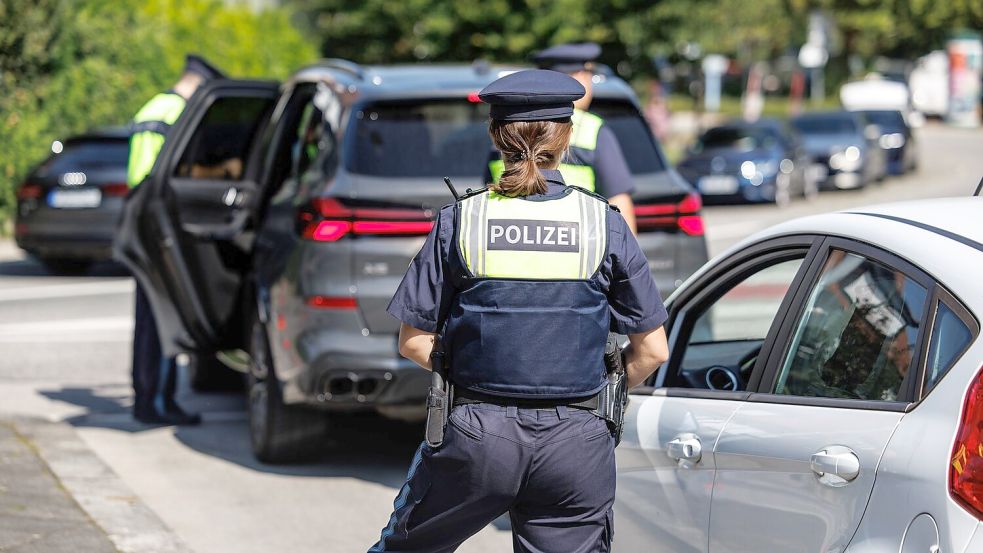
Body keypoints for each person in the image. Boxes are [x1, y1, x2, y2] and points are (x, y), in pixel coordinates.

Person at [371, 69, 669, 553]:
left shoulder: (461, 220)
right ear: (567, 138)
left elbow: (413, 341)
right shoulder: (604, 224)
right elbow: (652, 349)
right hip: (577, 442)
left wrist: (473, 369)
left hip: (476, 434)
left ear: (495, 137)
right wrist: (599, 390)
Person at [127, 54, 225, 425]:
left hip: (144, 221)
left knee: (151, 319)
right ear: (199, 85)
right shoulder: (175, 112)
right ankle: (155, 403)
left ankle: (151, 399)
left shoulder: (154, 105)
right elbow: (172, 173)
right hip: (157, 224)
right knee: (160, 320)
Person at [485, 42, 638, 233]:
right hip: (580, 240)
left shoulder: (507, 123)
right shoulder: (593, 128)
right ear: (580, 77)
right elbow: (619, 203)